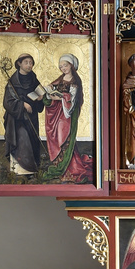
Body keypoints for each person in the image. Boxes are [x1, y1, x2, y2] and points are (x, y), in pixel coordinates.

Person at [41, 54, 93, 184]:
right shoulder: (60, 78)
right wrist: (47, 90)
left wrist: (59, 97)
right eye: (61, 66)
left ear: (71, 65)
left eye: (65, 65)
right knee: (57, 138)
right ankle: (60, 165)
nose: (63, 68)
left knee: (65, 138)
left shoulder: (75, 81)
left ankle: (70, 168)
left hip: (67, 115)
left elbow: (73, 99)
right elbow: (51, 87)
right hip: (58, 114)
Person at [3, 54, 45, 177]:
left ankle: (33, 168)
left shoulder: (34, 79)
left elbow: (39, 94)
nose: (29, 65)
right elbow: (8, 102)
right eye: (26, 62)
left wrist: (40, 98)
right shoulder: (13, 82)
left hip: (32, 117)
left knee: (32, 141)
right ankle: (22, 170)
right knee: (22, 140)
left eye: (31, 62)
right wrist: (22, 105)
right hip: (17, 119)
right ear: (19, 64)